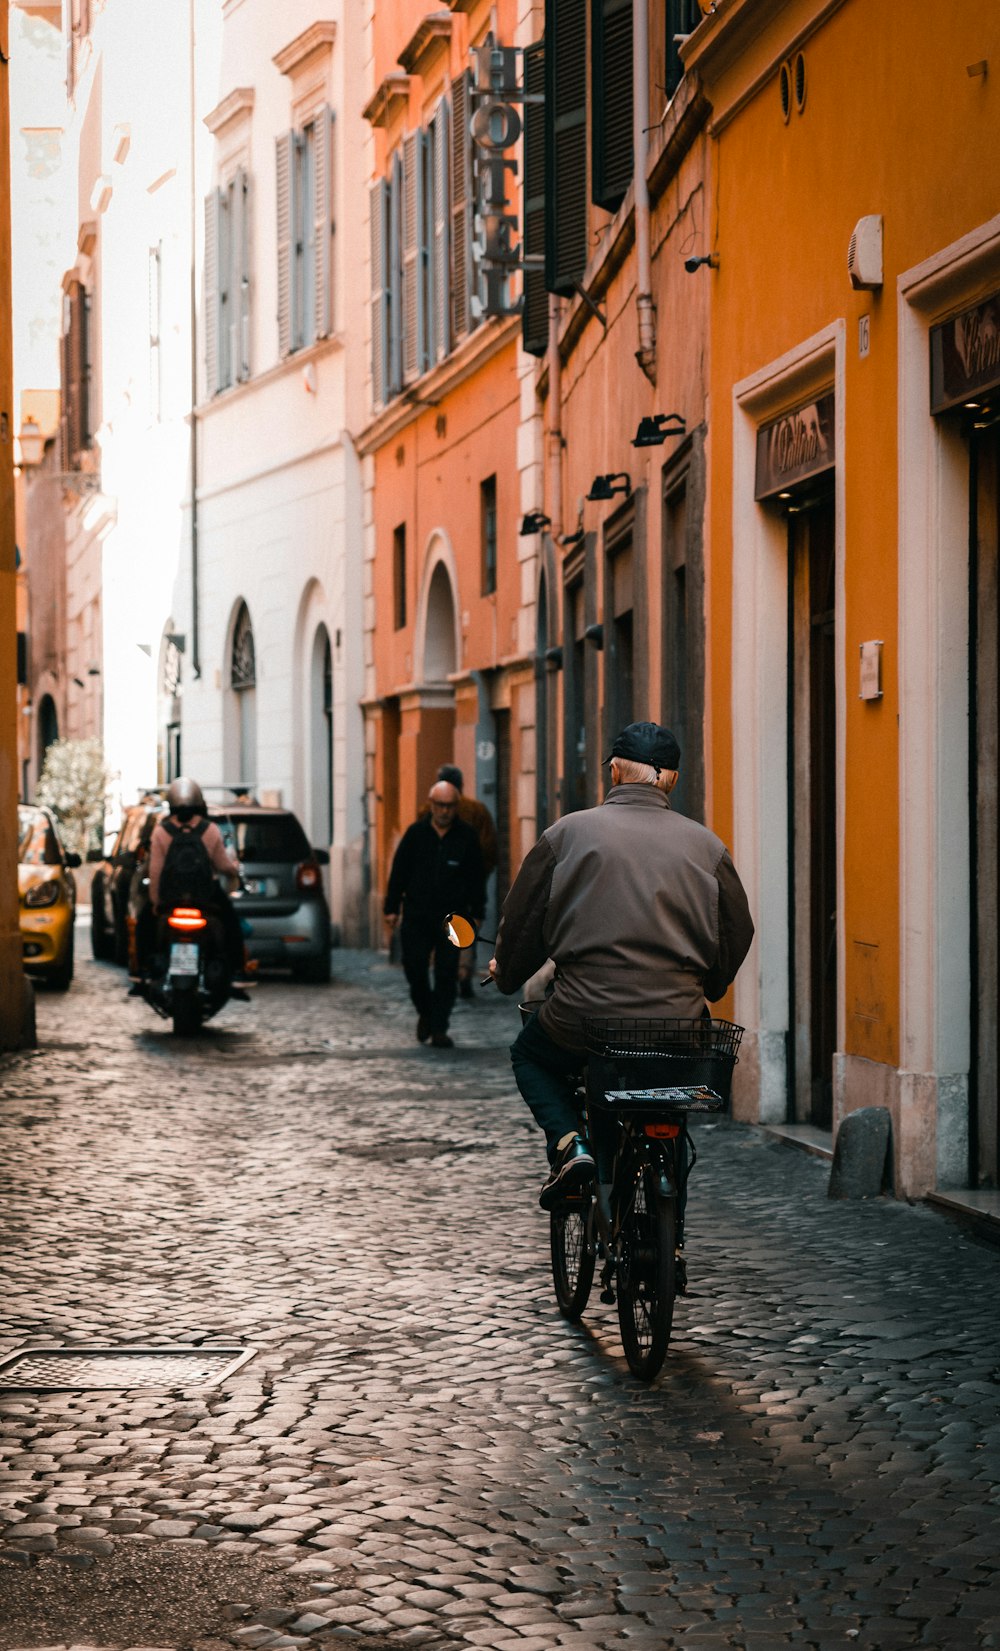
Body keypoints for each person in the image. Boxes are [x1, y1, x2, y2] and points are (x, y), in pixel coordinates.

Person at [489, 722, 754, 1209]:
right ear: (672, 779)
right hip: (675, 1021)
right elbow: (738, 931)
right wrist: (707, 986)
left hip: (583, 1018)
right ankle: (670, 1240)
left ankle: (571, 1145)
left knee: (530, 1056)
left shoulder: (566, 834)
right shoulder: (708, 848)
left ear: (613, 772)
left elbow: (524, 920)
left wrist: (506, 974)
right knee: (668, 1097)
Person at [384, 779, 486, 1049]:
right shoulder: (416, 834)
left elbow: (476, 876)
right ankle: (426, 1012)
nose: (445, 811)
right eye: (440, 805)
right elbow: (399, 872)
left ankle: (439, 1027)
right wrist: (391, 907)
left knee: (446, 972)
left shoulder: (467, 836)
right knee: (414, 967)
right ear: (431, 805)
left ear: (457, 807)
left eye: (450, 806)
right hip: (417, 914)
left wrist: (478, 911)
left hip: (454, 917)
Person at [145, 777, 245, 978]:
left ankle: (141, 973)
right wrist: (235, 871)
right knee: (231, 924)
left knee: (144, 925)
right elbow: (222, 865)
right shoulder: (210, 830)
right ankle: (238, 972)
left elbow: (155, 871)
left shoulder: (160, 832)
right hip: (205, 894)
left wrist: (156, 902)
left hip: (171, 895)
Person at [435, 764, 498, 999]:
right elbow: (490, 848)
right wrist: (479, 874)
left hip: (440, 886)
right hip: (469, 885)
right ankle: (462, 974)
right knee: (465, 931)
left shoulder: (428, 812)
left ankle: (448, 975)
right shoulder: (477, 810)